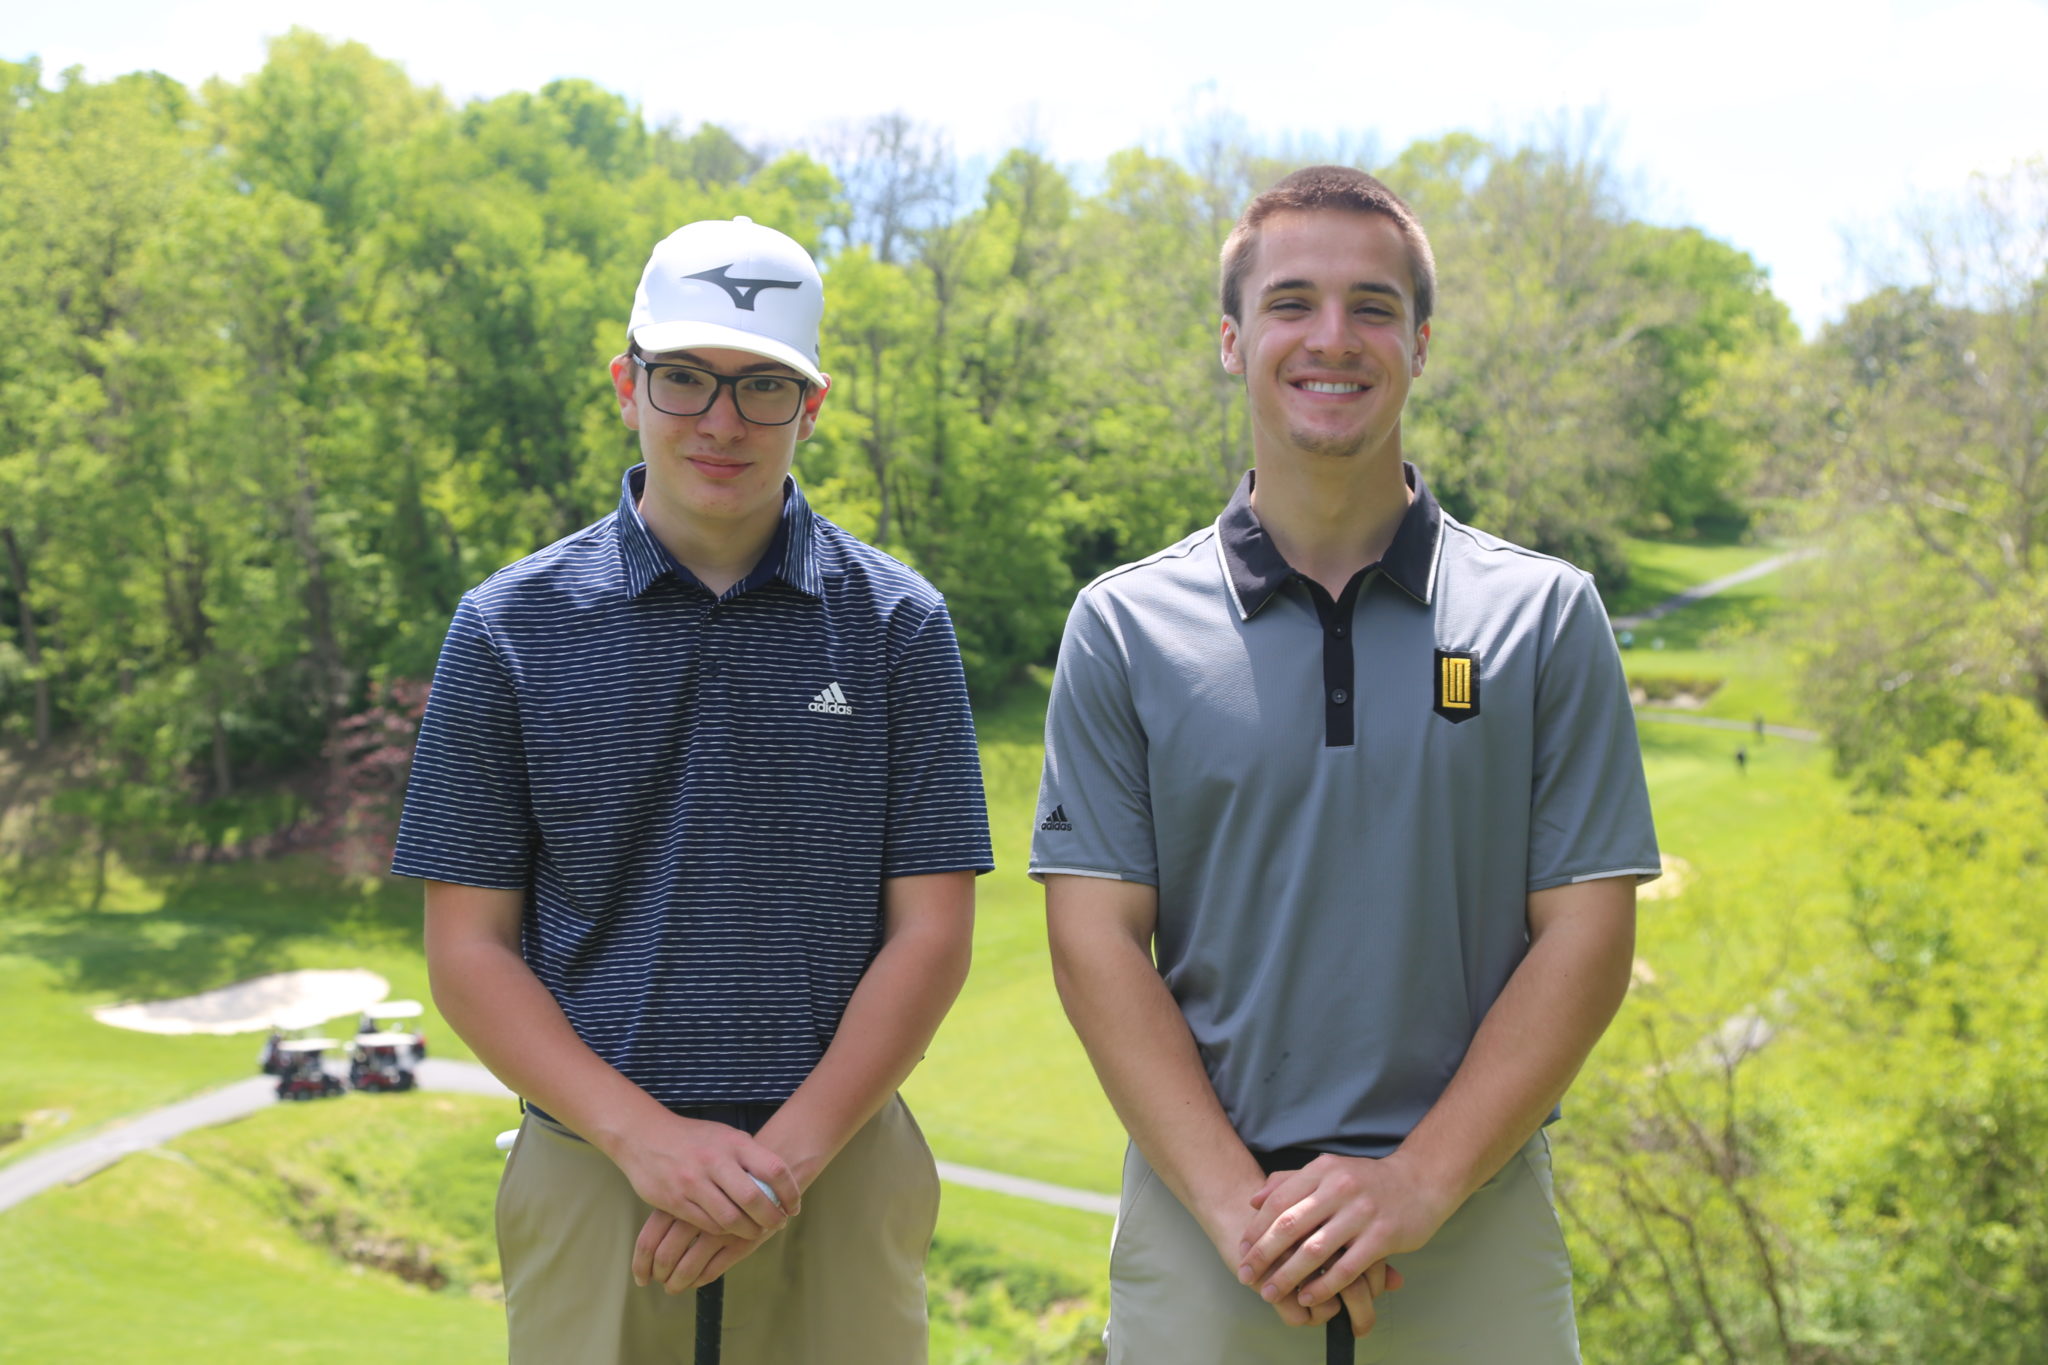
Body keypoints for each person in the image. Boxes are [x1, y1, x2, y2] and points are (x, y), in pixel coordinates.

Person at [1032, 166, 1660, 1363]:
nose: (1333, 338)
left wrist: (1412, 1188)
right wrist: (1237, 1210)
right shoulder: (1121, 626)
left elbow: (1584, 939)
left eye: (1373, 306)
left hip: (1468, 1227)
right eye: (1291, 303)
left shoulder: (1542, 615)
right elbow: (1094, 942)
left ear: (1419, 345)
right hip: (1211, 1232)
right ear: (1232, 339)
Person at [391, 216, 992, 1364]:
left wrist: (789, 1158)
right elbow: (467, 948)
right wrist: (645, 1140)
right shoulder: (505, 626)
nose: (720, 421)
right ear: (627, 385)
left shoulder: (898, 624)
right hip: (594, 1169)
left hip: (837, 1167)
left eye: (763, 386)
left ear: (810, 409)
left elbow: (932, 931)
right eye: (684, 379)